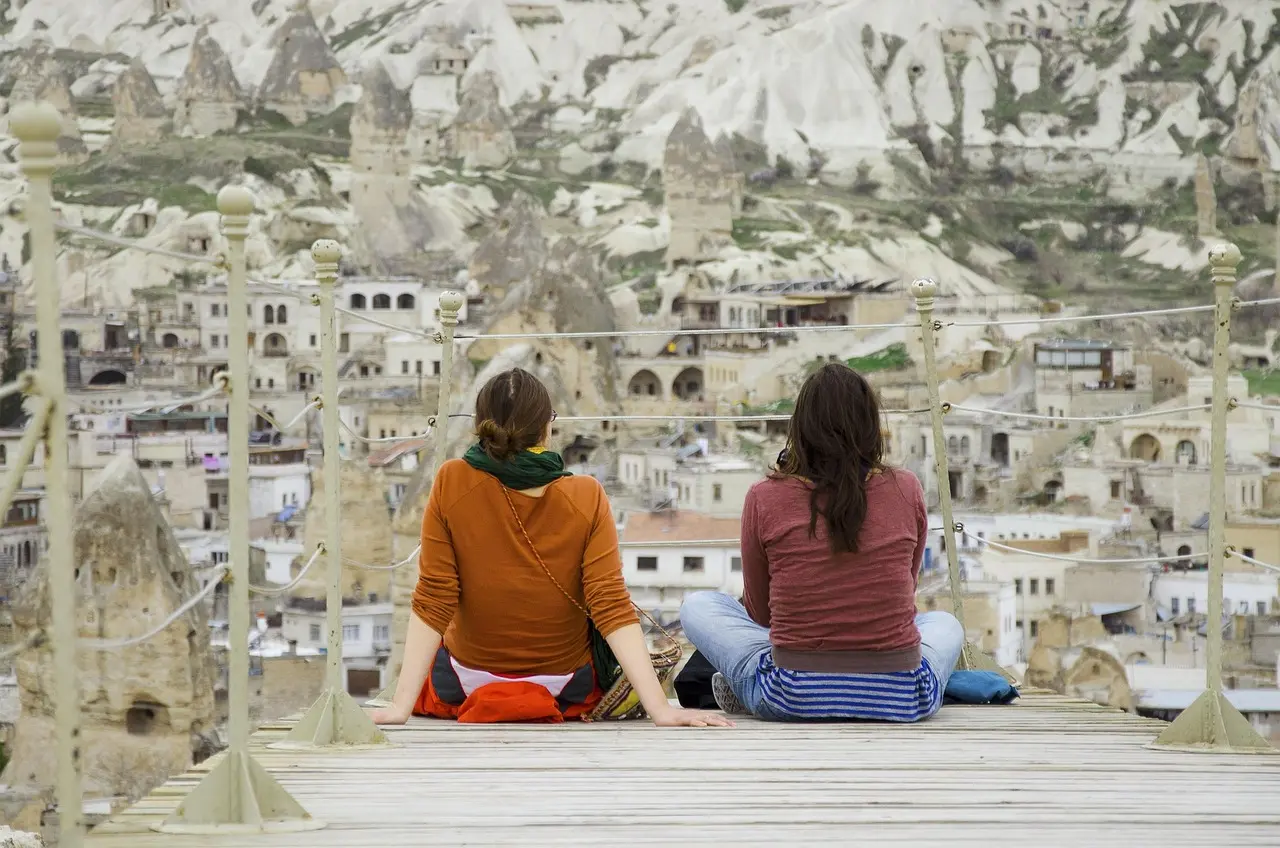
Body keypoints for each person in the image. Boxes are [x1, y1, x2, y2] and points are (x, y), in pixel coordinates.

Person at [370, 367, 731, 728]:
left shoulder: (452, 480)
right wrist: (661, 709)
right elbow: (609, 604)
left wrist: (401, 707)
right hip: (566, 686)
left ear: (481, 426)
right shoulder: (586, 495)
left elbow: (435, 597)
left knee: (444, 657)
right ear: (546, 428)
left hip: (464, 681)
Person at [680, 362, 964, 722]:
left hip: (791, 695)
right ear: (870, 426)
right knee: (944, 624)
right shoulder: (906, 487)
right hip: (904, 695)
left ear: (800, 428)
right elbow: (906, 588)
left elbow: (761, 613)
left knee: (698, 606)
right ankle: (752, 684)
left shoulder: (765, 496)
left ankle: (748, 686)